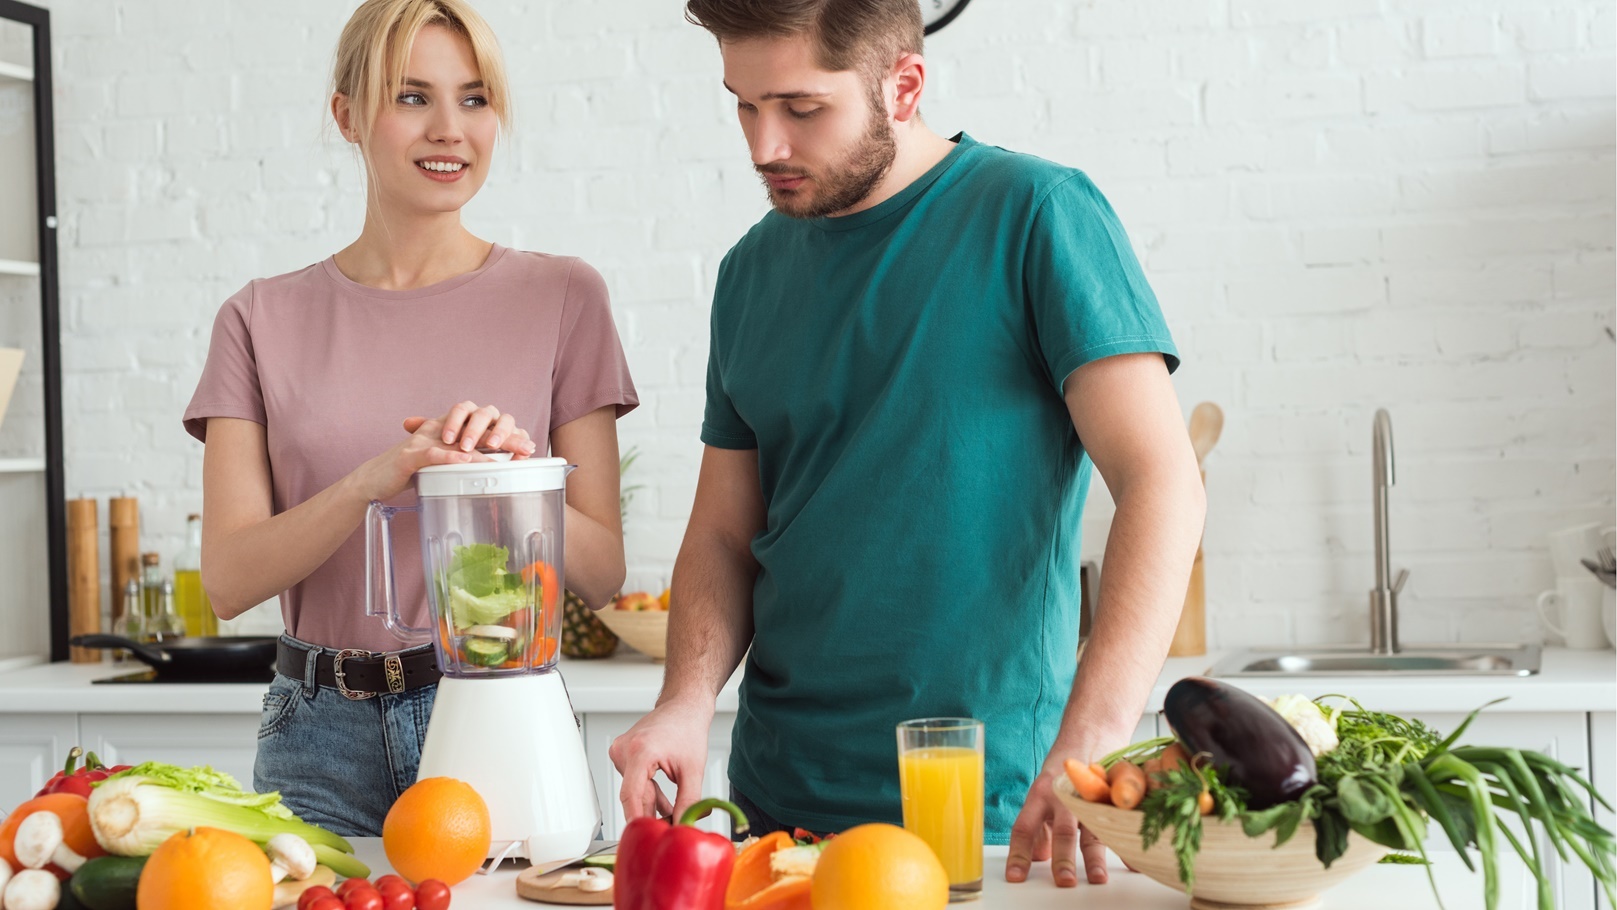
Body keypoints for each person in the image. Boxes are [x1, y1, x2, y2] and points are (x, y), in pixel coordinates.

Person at [607, 0, 1204, 890]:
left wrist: (1093, 735)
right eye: (742, 104)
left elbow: (1162, 482)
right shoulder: (746, 274)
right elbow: (727, 533)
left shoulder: (1035, 214)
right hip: (776, 814)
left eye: (801, 109)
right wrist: (685, 702)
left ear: (903, 84)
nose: (763, 145)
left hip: (992, 814)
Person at [182, 0, 636, 836]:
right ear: (347, 114)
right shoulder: (258, 318)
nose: (449, 130)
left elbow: (604, 572)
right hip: (315, 736)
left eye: (474, 98)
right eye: (411, 96)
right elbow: (229, 580)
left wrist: (508, 487)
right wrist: (378, 477)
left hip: (499, 712)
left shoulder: (565, 297)